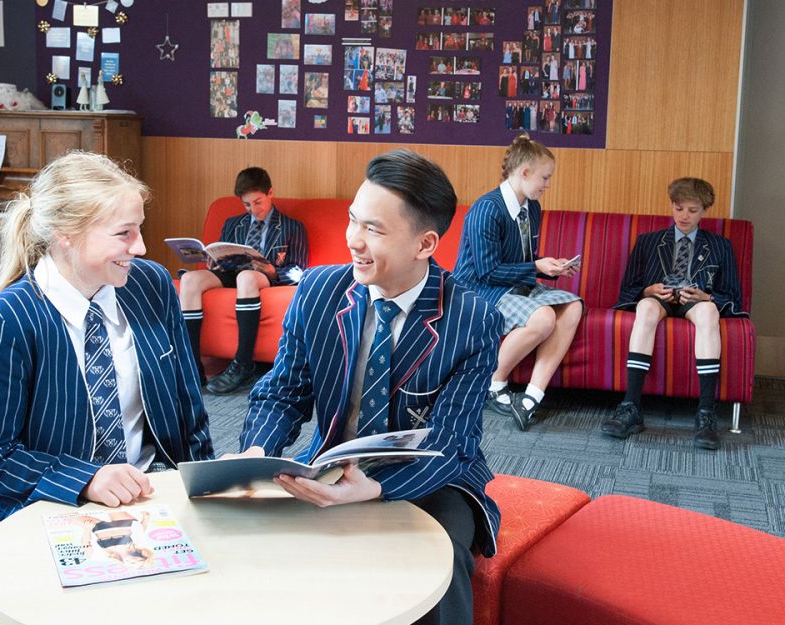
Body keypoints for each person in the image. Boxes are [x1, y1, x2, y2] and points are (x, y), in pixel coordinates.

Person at [0, 151, 214, 619]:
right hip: (40, 509)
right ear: (65, 235)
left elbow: (187, 409)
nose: (140, 248)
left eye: (139, 228)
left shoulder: (151, 285)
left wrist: (207, 490)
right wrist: (87, 480)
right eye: (124, 233)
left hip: (150, 498)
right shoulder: (7, 320)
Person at [232, 149, 503, 625]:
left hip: (433, 480)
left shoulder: (473, 319)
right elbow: (283, 392)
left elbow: (453, 441)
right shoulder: (318, 291)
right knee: (259, 555)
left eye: (374, 230)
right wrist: (256, 451)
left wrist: (376, 487)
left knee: (441, 562)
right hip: (332, 467)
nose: (353, 240)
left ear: (425, 244)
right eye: (352, 220)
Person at [602, 178, 747, 449]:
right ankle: (630, 407)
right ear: (672, 206)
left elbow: (733, 295)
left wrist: (707, 296)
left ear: (704, 210)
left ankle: (706, 413)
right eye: (679, 208)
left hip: (697, 301)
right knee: (645, 308)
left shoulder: (720, 246)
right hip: (659, 300)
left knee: (708, 313)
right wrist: (649, 290)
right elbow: (629, 288)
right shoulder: (647, 242)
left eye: (692, 210)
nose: (684, 216)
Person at [452, 134, 582, 430]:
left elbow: (524, 257)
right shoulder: (487, 210)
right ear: (524, 173)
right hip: (478, 287)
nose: (547, 184)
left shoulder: (532, 208)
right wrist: (536, 266)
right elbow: (487, 271)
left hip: (510, 285)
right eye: (544, 178)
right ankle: (491, 382)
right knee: (543, 318)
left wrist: (550, 267)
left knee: (573, 306)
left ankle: (532, 397)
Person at [180, 167, 309, 394]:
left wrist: (272, 269)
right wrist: (214, 261)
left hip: (264, 277)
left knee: (247, 277)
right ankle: (192, 364)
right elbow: (223, 251)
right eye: (247, 205)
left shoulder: (292, 227)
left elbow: (299, 270)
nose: (254, 210)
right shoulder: (233, 223)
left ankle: (243, 363)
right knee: (190, 280)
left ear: (270, 193)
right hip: (230, 273)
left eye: (258, 202)